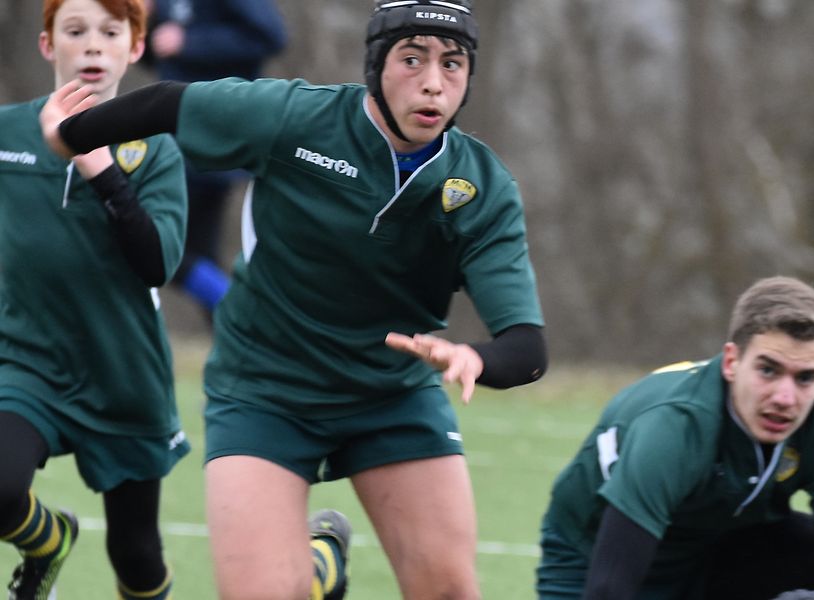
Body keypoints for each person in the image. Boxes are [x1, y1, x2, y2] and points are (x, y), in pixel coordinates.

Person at [39, 0, 549, 597]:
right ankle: (317, 572)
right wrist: (69, 134)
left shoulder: (479, 188)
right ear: (377, 68)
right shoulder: (295, 117)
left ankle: (318, 568)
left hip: (391, 393)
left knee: (449, 592)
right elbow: (171, 103)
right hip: (265, 389)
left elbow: (527, 346)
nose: (433, 82)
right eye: (412, 60)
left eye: (453, 65)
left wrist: (477, 359)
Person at [0, 0, 188, 598]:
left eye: (111, 32)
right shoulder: (5, 134)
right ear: (48, 45)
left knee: (135, 555)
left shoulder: (157, 149)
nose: (92, 46)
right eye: (75, 31)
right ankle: (47, 540)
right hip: (28, 363)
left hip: (123, 374)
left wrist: (101, 168)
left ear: (135, 48)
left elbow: (156, 263)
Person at [538, 277, 814, 600]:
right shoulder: (674, 427)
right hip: (591, 556)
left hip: (712, 549)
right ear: (732, 361)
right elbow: (609, 590)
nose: (785, 398)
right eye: (768, 370)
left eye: (805, 378)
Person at [144, 0, 286, 318]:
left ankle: (243, 320)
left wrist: (190, 42)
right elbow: (161, 53)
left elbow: (271, 36)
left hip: (213, 135)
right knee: (188, 254)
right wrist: (145, 23)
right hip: (174, 132)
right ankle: (242, 330)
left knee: (163, 248)